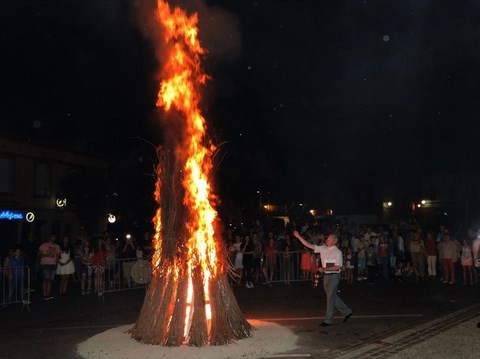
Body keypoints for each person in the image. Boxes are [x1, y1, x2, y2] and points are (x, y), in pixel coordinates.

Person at [293, 231, 352, 327]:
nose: (326, 239)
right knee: (332, 297)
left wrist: (324, 268)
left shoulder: (337, 252)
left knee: (330, 298)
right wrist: (299, 237)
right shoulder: (323, 248)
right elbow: (308, 245)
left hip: (334, 276)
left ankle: (328, 320)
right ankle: (348, 312)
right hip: (326, 276)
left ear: (334, 241)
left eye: (329, 238)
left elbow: (338, 267)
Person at [38, 233, 61, 300]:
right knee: (45, 279)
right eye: (52, 237)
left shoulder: (57, 246)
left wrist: (56, 263)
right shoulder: (44, 245)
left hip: (53, 264)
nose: (53, 238)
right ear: (49, 237)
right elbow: (39, 254)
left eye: (54, 237)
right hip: (45, 264)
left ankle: (48, 294)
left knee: (50, 279)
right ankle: (44, 294)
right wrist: (47, 255)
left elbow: (58, 255)